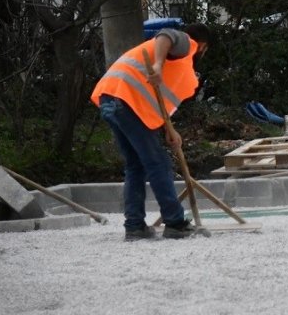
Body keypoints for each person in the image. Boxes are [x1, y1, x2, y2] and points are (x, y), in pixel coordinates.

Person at [90, 23, 214, 241]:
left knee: (135, 165)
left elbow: (158, 101)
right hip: (126, 101)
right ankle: (175, 223)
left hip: (111, 98)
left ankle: (135, 226)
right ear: (203, 46)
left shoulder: (177, 64)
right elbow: (166, 34)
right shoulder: (187, 43)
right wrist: (157, 64)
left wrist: (170, 129)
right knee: (158, 163)